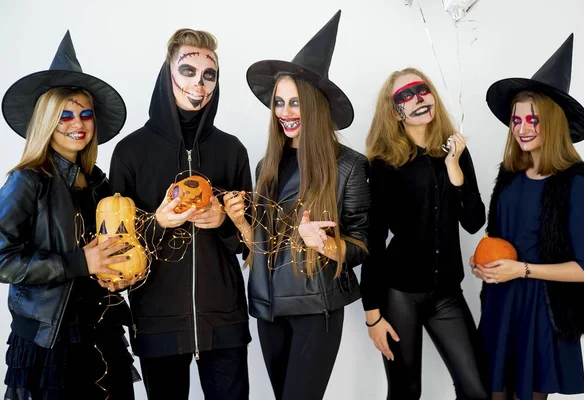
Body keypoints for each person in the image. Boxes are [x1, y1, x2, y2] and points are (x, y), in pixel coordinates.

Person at [223, 10, 370, 400]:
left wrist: (325, 245)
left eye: (296, 102)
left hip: (314, 307)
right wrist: (242, 225)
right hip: (268, 307)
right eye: (279, 102)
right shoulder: (265, 165)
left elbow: (360, 243)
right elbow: (265, 243)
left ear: (316, 105)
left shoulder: (349, 166)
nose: (286, 113)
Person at [109, 28, 252, 400]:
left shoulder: (232, 150)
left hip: (224, 318)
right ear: (167, 73)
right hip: (158, 319)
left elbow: (248, 244)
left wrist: (223, 223)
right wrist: (158, 222)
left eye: (209, 75)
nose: (199, 84)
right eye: (188, 71)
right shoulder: (130, 152)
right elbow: (116, 246)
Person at [0, 31, 139, 399]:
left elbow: (115, 247)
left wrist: (116, 274)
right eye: (64, 114)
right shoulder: (27, 181)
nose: (77, 122)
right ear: (47, 120)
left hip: (104, 330)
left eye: (85, 113)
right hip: (51, 342)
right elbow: (2, 259)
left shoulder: (99, 183)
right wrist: (79, 262)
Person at [473, 33, 584, 400]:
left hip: (541, 310)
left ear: (554, 123)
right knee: (490, 392)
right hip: (500, 303)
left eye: (534, 119)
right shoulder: (509, 176)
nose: (523, 128)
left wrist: (523, 270)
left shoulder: (574, 184)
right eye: (517, 120)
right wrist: (484, 264)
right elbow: (498, 241)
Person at [360, 66, 488, 400]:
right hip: (400, 293)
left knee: (477, 389)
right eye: (405, 96)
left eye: (422, 90)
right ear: (394, 111)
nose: (418, 99)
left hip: (446, 292)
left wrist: (454, 169)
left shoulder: (455, 152)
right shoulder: (385, 163)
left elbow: (474, 221)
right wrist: (372, 316)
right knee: (405, 391)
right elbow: (373, 239)